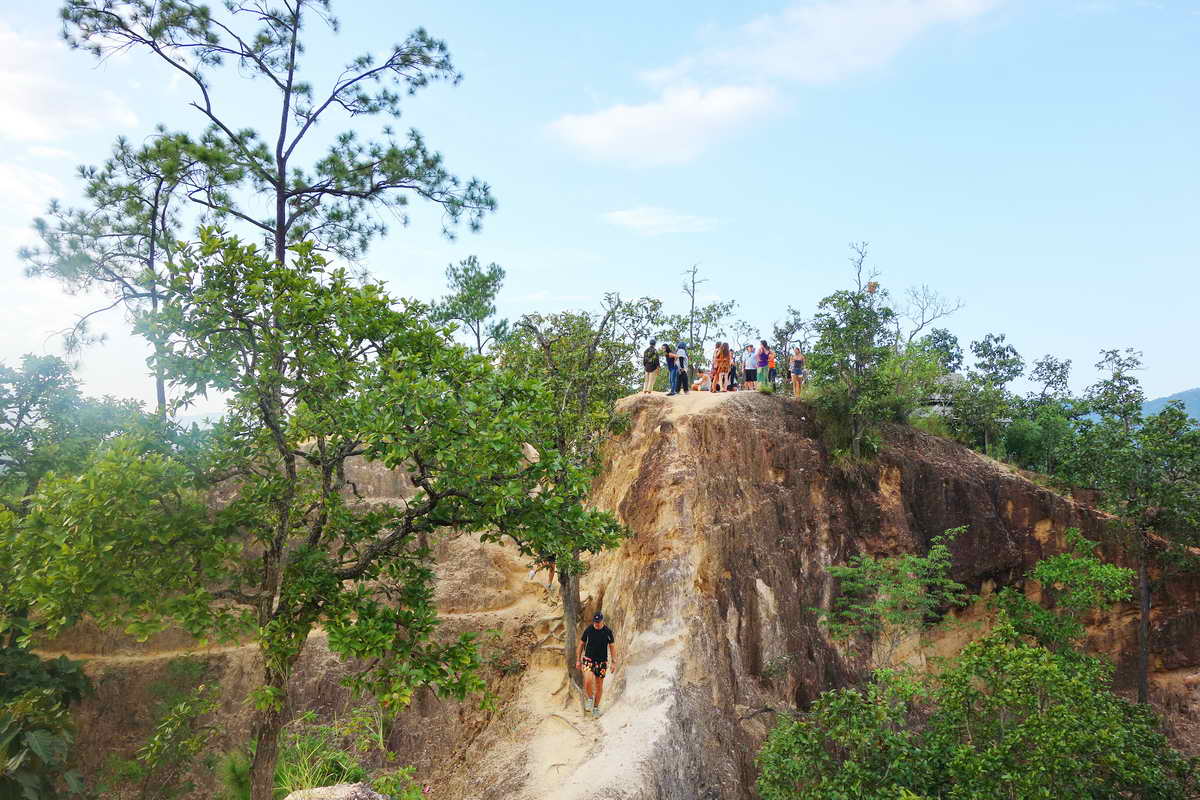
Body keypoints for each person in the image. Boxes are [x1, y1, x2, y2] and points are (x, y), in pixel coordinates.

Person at [576, 612, 617, 718]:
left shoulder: (608, 632)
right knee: (588, 680)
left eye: (598, 622)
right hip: (589, 660)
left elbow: (612, 647)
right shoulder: (589, 630)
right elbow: (581, 644)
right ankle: (590, 698)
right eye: (595, 622)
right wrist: (578, 660)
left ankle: (595, 708)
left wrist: (613, 662)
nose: (597, 624)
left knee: (599, 686)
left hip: (602, 662)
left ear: (602, 621)